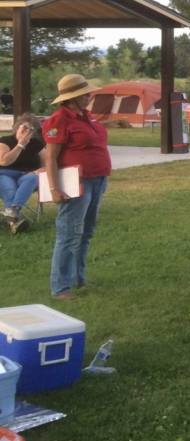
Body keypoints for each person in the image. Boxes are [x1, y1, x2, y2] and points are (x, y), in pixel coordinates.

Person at [43, 74, 112, 300]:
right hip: (77, 184)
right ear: (72, 98)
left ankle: (77, 278)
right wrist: (54, 188)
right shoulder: (59, 120)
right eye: (85, 94)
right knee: (69, 234)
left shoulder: (86, 116)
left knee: (86, 232)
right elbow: (51, 157)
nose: (89, 96)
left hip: (98, 179)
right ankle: (60, 287)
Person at [0, 113, 47, 233]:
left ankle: (12, 212)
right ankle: (15, 221)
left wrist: (41, 170)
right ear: (17, 127)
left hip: (27, 175)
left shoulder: (37, 144)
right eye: (24, 127)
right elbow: (4, 161)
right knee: (9, 188)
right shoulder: (5, 141)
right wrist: (21, 144)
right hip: (5, 173)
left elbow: (47, 164)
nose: (27, 131)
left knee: (32, 178)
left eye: (31, 129)